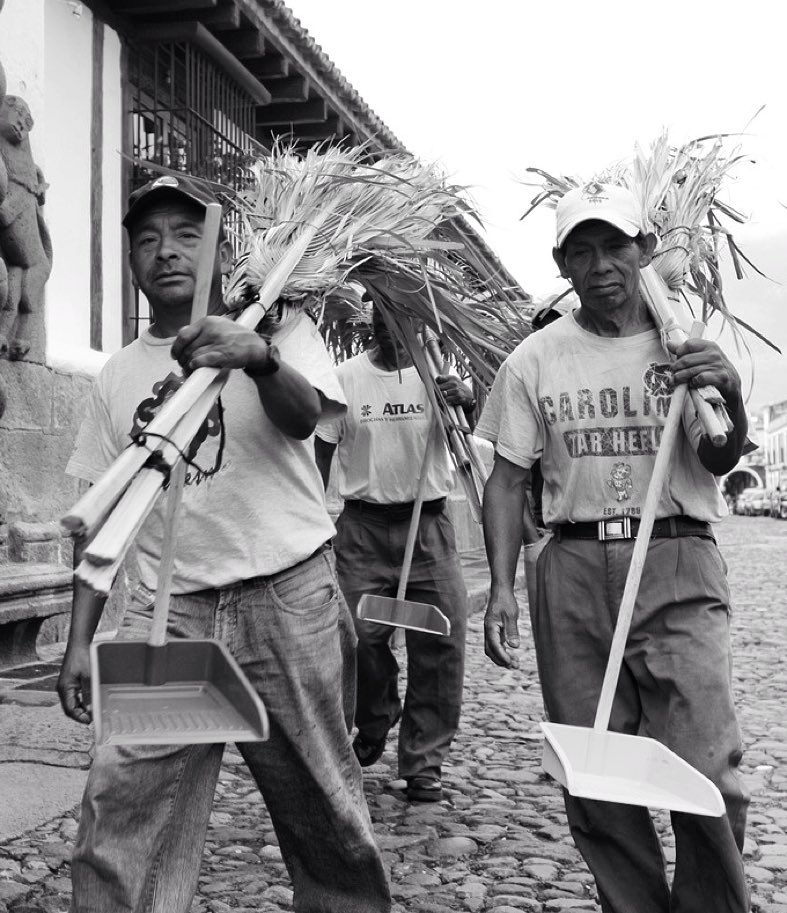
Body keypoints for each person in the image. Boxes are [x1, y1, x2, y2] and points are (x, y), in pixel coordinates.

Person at [57, 175, 391, 913]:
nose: (165, 251)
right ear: (132, 259)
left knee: (323, 809)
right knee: (124, 810)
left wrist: (258, 355)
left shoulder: (276, 322)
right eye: (147, 238)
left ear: (218, 246)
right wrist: (81, 640)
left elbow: (307, 420)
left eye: (184, 233)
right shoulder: (117, 376)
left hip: (286, 596)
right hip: (170, 612)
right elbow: (104, 517)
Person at [477, 182, 750, 913]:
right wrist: (501, 587)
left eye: (615, 247)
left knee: (707, 766)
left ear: (645, 252)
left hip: (675, 555)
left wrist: (727, 387)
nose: (600, 265)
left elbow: (720, 455)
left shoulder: (682, 345)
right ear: (561, 263)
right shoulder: (533, 360)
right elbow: (505, 482)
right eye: (582, 251)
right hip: (571, 566)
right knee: (594, 769)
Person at [314, 306, 474, 803]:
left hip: (428, 524)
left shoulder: (437, 378)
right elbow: (319, 457)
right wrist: (315, 524)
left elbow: (474, 434)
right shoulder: (345, 380)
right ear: (373, 324)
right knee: (360, 636)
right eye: (387, 319)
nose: (398, 331)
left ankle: (424, 761)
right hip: (362, 528)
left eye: (407, 321)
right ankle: (377, 713)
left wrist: (464, 402)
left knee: (440, 640)